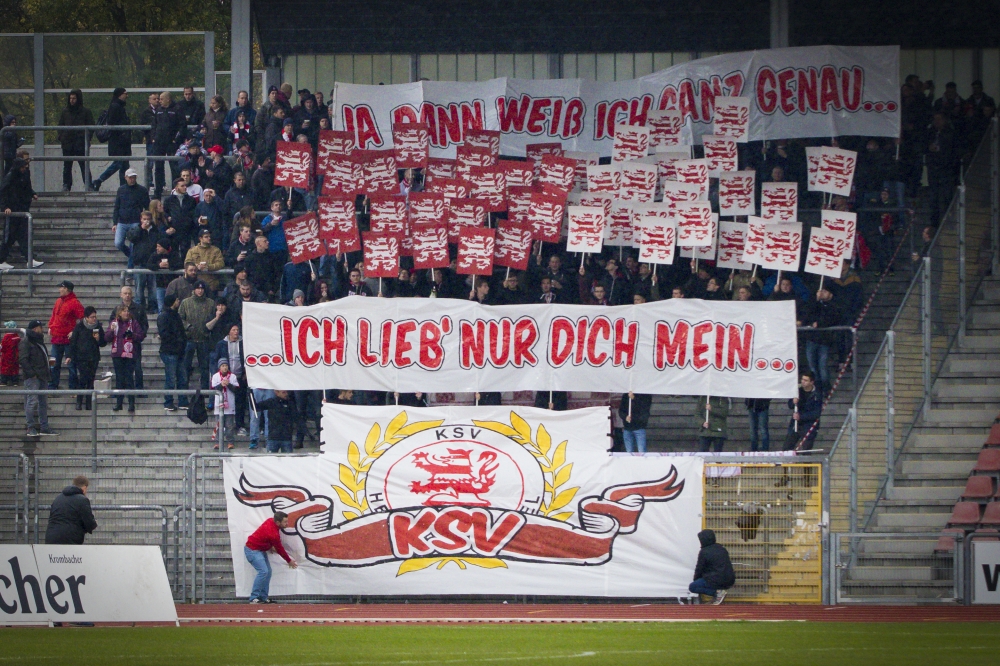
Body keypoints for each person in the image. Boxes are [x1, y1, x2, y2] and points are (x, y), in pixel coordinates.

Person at [244, 511, 298, 603]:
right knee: (263, 571)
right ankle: (253, 598)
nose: (287, 524)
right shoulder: (273, 534)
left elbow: (263, 536)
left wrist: (269, 546)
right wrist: (289, 561)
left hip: (258, 549)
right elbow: (280, 549)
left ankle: (263, 597)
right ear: (278, 522)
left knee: (267, 572)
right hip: (252, 550)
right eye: (285, 522)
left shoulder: (270, 521)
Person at [0, 158, 40, 268]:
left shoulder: (24, 175)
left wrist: (32, 193)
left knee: (24, 236)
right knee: (9, 237)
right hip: (13, 211)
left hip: (21, 209)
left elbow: (26, 188)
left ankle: (29, 259)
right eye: (22, 167)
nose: (24, 169)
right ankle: (1, 260)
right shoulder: (10, 177)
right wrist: (5, 207)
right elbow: (3, 192)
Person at [179, 281, 217, 397]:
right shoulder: (186, 302)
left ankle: (205, 391)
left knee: (204, 367)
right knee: (185, 366)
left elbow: (214, 318)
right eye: (198, 288)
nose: (200, 291)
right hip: (189, 339)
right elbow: (180, 318)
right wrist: (188, 326)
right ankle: (184, 391)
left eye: (202, 289)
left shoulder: (211, 303)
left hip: (204, 339)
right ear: (194, 290)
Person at [19, 320, 56, 437]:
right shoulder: (26, 341)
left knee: (42, 403)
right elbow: (23, 359)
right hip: (33, 377)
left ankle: (44, 427)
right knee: (32, 402)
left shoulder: (39, 341)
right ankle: (30, 427)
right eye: (40, 327)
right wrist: (32, 374)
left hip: (43, 375)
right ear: (35, 329)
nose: (42, 329)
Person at [47, 280, 85, 390]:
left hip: (69, 340)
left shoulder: (75, 303)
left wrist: (74, 331)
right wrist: (51, 326)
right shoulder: (58, 301)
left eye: (61, 287)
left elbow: (83, 318)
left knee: (71, 365)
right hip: (56, 338)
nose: (59, 289)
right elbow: (54, 315)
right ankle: (52, 386)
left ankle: (73, 387)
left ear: (66, 289)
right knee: (53, 363)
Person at [106, 304, 144, 413]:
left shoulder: (134, 323)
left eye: (127, 311)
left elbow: (141, 335)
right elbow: (107, 338)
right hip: (117, 354)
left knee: (129, 378)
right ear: (119, 313)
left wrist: (132, 335)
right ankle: (119, 403)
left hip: (130, 354)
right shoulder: (114, 323)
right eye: (124, 311)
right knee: (119, 379)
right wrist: (111, 330)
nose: (127, 313)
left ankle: (131, 403)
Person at [67, 307, 106, 411]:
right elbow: (73, 342)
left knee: (91, 380)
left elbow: (103, 343)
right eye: (92, 317)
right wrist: (69, 356)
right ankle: (79, 401)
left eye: (95, 317)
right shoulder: (79, 327)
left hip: (93, 357)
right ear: (86, 318)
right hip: (81, 357)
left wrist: (98, 339)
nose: (94, 319)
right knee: (83, 378)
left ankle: (89, 402)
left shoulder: (98, 327)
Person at [92, 88, 131, 191]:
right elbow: (112, 123)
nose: (127, 96)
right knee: (119, 163)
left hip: (123, 142)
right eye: (125, 94)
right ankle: (99, 180)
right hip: (118, 142)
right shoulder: (115, 106)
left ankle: (123, 188)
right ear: (120, 95)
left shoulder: (120, 106)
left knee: (124, 166)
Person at [56, 89, 94, 192]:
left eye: (74, 98)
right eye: (71, 98)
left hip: (80, 143)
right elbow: (60, 125)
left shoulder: (85, 112)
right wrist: (62, 138)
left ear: (78, 99)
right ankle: (66, 185)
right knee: (67, 166)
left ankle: (89, 185)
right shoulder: (65, 111)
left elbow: (91, 127)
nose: (72, 100)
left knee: (84, 165)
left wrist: (86, 139)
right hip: (68, 143)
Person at [149, 91, 184, 198]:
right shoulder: (159, 110)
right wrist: (153, 138)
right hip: (159, 143)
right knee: (158, 168)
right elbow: (154, 125)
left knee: (174, 167)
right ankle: (158, 192)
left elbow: (182, 126)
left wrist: (175, 140)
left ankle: (175, 191)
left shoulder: (177, 109)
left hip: (171, 143)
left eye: (161, 99)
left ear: (168, 99)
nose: (159, 101)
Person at [44, 476, 98, 545]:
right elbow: (89, 522)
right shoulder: (82, 500)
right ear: (84, 488)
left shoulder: (58, 498)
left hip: (51, 536)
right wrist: (93, 524)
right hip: (70, 538)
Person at [112, 168, 151, 263]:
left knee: (134, 244)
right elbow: (117, 206)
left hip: (135, 221)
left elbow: (147, 206)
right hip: (122, 221)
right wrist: (115, 222)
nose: (132, 179)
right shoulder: (121, 190)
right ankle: (132, 256)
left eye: (134, 177)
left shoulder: (142, 190)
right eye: (130, 178)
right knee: (118, 243)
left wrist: (146, 220)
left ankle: (132, 260)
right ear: (125, 178)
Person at [214, 324, 247, 433]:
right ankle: (225, 426)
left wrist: (246, 372)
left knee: (240, 402)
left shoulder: (243, 343)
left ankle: (240, 425)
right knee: (225, 401)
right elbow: (216, 359)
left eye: (237, 330)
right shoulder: (221, 344)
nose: (236, 332)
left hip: (240, 377)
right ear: (229, 331)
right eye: (233, 330)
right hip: (226, 377)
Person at [689, 529, 735, 605]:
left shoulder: (704, 552)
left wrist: (696, 580)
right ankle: (717, 595)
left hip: (715, 579)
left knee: (693, 587)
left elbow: (699, 568)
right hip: (729, 579)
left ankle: (717, 593)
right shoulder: (722, 548)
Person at [157, 293, 187, 411]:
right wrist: (178, 341)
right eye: (177, 300)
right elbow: (165, 334)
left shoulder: (176, 315)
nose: (178, 302)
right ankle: (168, 402)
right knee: (171, 378)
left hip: (179, 351)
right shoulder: (164, 316)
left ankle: (183, 401)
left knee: (182, 378)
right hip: (169, 351)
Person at [783, 370, 822, 453]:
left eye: (806, 380)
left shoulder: (817, 395)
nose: (803, 382)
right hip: (795, 424)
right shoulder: (797, 391)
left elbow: (816, 413)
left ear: (811, 382)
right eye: (802, 379)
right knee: (787, 447)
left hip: (809, 425)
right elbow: (790, 405)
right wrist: (793, 402)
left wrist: (801, 417)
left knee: (806, 449)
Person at [185, 227, 226, 292]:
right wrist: (197, 266)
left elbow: (221, 263)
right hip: (195, 284)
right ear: (200, 238)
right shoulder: (192, 251)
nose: (209, 238)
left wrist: (209, 267)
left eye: (209, 236)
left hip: (212, 284)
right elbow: (187, 263)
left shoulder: (216, 250)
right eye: (206, 237)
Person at [211, 358, 239, 449]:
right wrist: (221, 385)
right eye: (223, 366)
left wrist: (229, 384)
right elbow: (213, 389)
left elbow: (236, 389)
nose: (225, 367)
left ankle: (230, 442)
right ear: (219, 367)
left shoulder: (233, 376)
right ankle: (217, 442)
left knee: (229, 425)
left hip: (229, 405)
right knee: (218, 425)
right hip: (218, 405)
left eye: (226, 365)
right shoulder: (215, 376)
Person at [0, 321, 21, 385]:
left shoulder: (6, 337)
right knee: (14, 368)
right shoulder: (17, 337)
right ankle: (15, 381)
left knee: (4, 368)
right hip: (15, 355)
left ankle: (4, 381)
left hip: (6, 356)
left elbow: (3, 347)